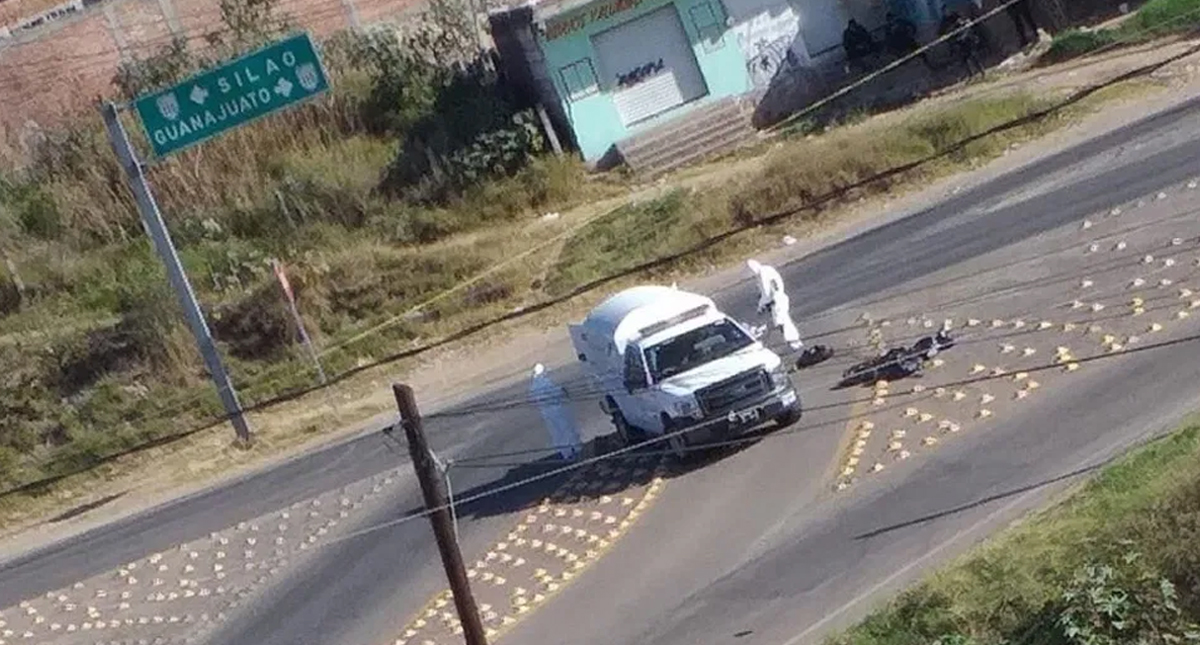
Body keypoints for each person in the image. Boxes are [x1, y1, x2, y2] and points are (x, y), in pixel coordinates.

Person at [746, 259, 804, 351]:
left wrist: (761, 306)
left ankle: (793, 341)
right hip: (780, 298)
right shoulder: (767, 269)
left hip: (776, 301)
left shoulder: (762, 274)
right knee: (785, 320)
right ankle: (795, 340)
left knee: (782, 322)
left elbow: (766, 292)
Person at [530, 363, 582, 460]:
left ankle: (566, 453)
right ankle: (576, 449)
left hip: (546, 413)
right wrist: (562, 391)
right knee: (566, 429)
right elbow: (556, 393)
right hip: (557, 410)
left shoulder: (533, 386)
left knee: (556, 433)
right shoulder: (546, 382)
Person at [939, 7, 985, 78]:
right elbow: (941, 33)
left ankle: (981, 71)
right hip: (957, 42)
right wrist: (946, 36)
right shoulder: (944, 22)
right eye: (944, 11)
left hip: (965, 38)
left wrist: (965, 25)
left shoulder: (955, 15)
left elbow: (965, 22)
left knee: (972, 55)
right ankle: (971, 74)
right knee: (963, 59)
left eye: (947, 10)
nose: (946, 12)